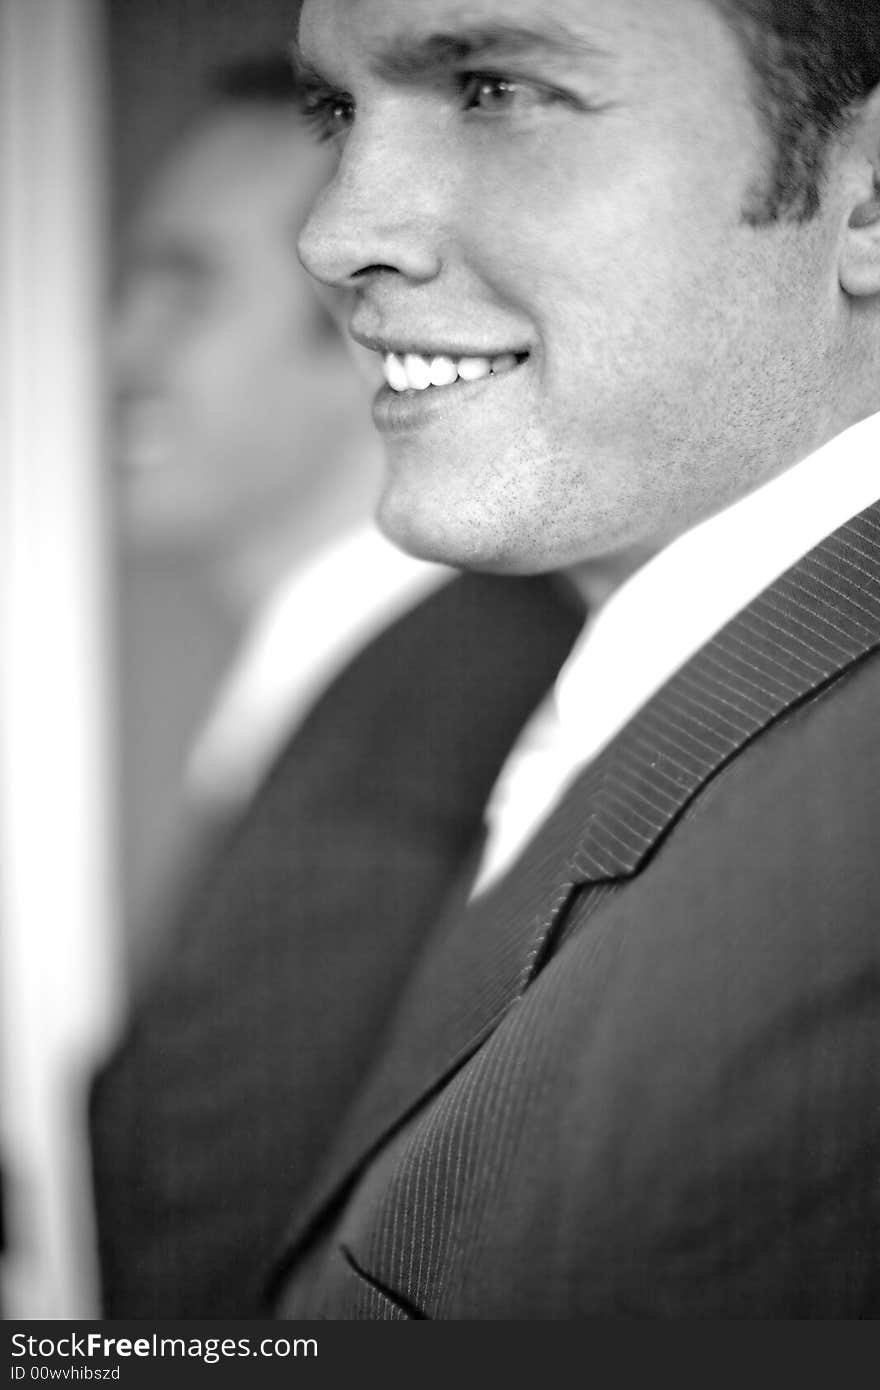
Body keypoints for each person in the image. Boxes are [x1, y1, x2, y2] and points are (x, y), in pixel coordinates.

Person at [93, 0, 880, 1318]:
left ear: (864, 199)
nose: (334, 232)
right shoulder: (649, 711)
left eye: (496, 91)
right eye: (336, 115)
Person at [110, 56, 448, 975]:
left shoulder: (438, 740)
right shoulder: (334, 701)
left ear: (365, 322)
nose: (116, 348)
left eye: (188, 288)